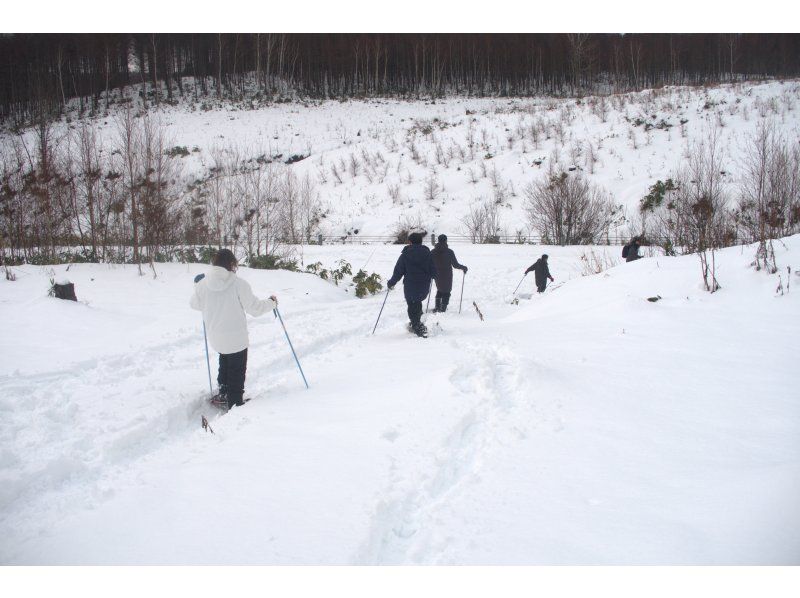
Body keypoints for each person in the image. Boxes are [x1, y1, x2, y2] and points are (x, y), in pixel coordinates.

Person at [190, 249, 277, 408]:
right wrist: (272, 302)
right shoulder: (239, 284)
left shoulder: (203, 284)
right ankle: (235, 402)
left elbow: (195, 304)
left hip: (216, 337)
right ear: (231, 264)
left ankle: (223, 393)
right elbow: (255, 309)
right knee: (236, 369)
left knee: (224, 359)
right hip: (237, 339)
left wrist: (197, 286)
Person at [387, 232, 436, 337]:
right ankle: (417, 320)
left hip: (411, 285)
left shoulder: (405, 255)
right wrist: (435, 276)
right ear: (421, 241)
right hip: (424, 285)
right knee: (417, 302)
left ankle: (416, 325)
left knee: (412, 304)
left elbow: (398, 271)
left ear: (410, 242)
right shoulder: (428, 254)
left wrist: (391, 282)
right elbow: (433, 269)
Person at [430, 234, 468, 313]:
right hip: (447, 275)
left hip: (436, 274)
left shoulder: (433, 252)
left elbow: (429, 263)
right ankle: (443, 309)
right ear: (446, 240)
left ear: (438, 240)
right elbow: (455, 265)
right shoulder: (449, 252)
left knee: (440, 289)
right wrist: (463, 267)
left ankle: (437, 307)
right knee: (446, 291)